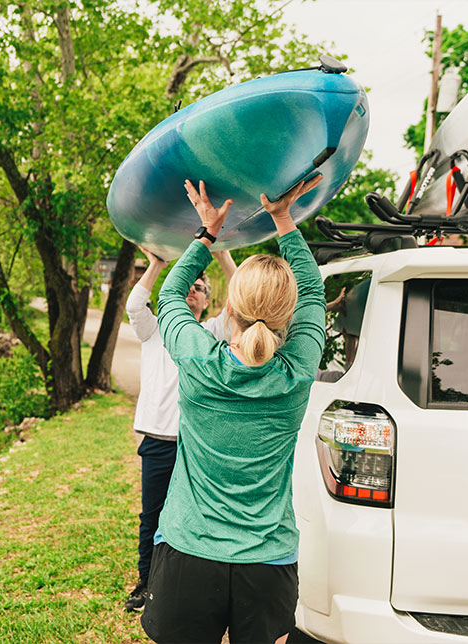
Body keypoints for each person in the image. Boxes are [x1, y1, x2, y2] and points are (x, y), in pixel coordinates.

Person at [140, 175, 326, 644]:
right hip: (266, 563)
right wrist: (283, 218)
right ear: (290, 313)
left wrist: (207, 233)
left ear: (232, 306)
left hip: (189, 552)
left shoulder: (198, 359)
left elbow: (168, 295)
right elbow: (315, 292)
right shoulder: (298, 370)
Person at [124, 245, 236, 612]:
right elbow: (134, 305)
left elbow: (240, 302)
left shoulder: (212, 332)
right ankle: (147, 582)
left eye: (200, 286)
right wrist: (157, 265)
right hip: (158, 440)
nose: (192, 288)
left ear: (207, 299)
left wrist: (222, 256)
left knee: (198, 516)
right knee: (151, 514)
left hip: (198, 443)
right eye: (187, 282)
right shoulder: (154, 330)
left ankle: (190, 588)